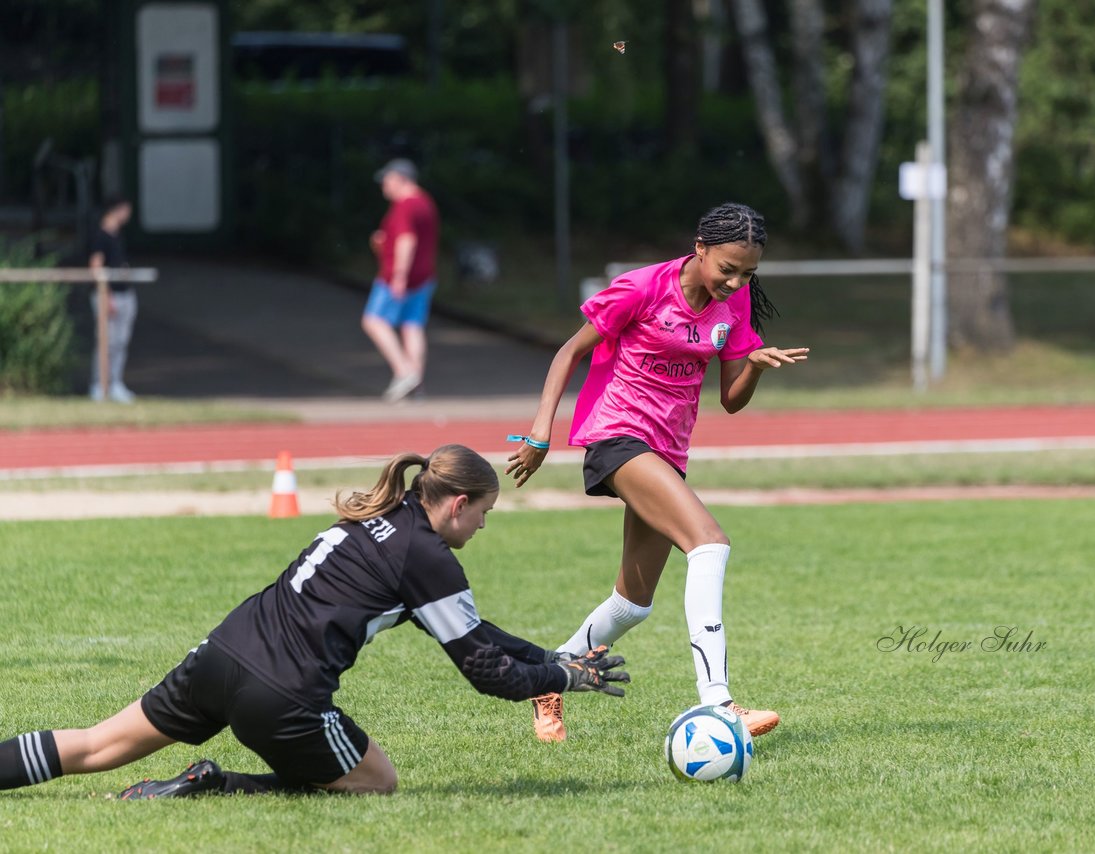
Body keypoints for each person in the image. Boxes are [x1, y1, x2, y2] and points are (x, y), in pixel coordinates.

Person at [0, 445, 628, 799]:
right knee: (377, 782)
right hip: (283, 696)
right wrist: (565, 679)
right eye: (484, 514)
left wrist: (552, 659)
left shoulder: (379, 518)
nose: (484, 527)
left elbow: (479, 633)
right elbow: (485, 672)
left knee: (95, 744)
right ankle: (216, 784)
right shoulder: (427, 557)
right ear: (458, 504)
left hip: (222, 653)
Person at [505, 202, 808, 743]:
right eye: (727, 268)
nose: (735, 281)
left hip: (667, 452)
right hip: (617, 437)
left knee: (631, 605)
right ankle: (719, 705)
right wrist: (540, 434)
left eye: (748, 274)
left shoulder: (732, 304)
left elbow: (731, 401)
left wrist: (756, 367)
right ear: (700, 248)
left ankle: (546, 680)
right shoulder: (642, 288)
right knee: (709, 545)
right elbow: (568, 353)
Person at [362, 158, 440, 403]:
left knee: (373, 321)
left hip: (398, 277)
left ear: (399, 178)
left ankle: (405, 372)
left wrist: (398, 275)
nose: (384, 185)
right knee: (412, 326)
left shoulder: (405, 205)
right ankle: (416, 384)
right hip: (424, 275)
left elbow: (407, 239)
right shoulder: (426, 202)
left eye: (387, 179)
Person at [88, 195, 137, 403]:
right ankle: (100, 384)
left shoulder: (118, 234)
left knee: (120, 342)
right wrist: (106, 295)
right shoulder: (101, 235)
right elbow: (96, 266)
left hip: (125, 293)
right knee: (106, 342)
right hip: (109, 295)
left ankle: (115, 382)